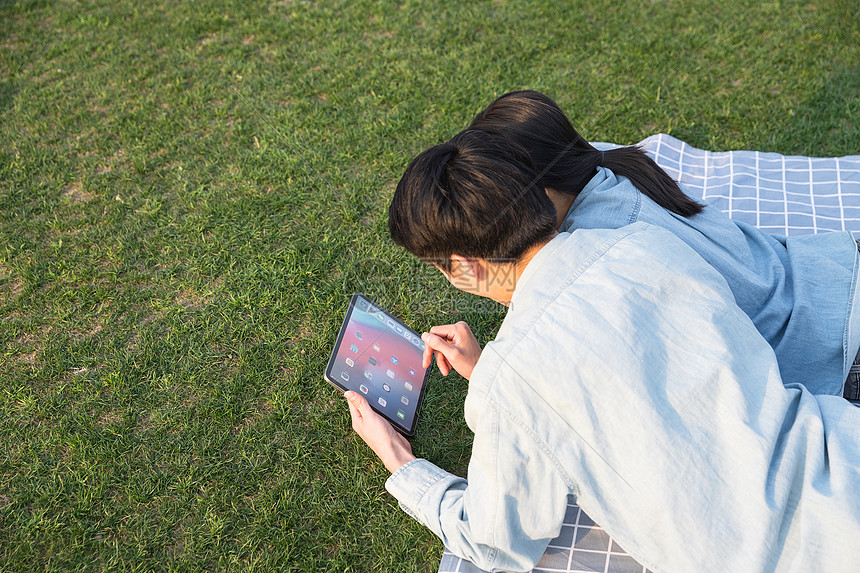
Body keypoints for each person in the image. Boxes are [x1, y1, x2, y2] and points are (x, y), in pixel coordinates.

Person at [344, 129, 860, 572]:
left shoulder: (514, 376)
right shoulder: (640, 239)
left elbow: (498, 539)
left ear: (461, 266)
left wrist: (400, 460)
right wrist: (493, 370)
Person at [468, 90, 860, 400]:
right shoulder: (604, 160)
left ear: (543, 188)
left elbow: (587, 375)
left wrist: (487, 367)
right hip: (834, 271)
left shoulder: (596, 249)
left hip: (836, 351)